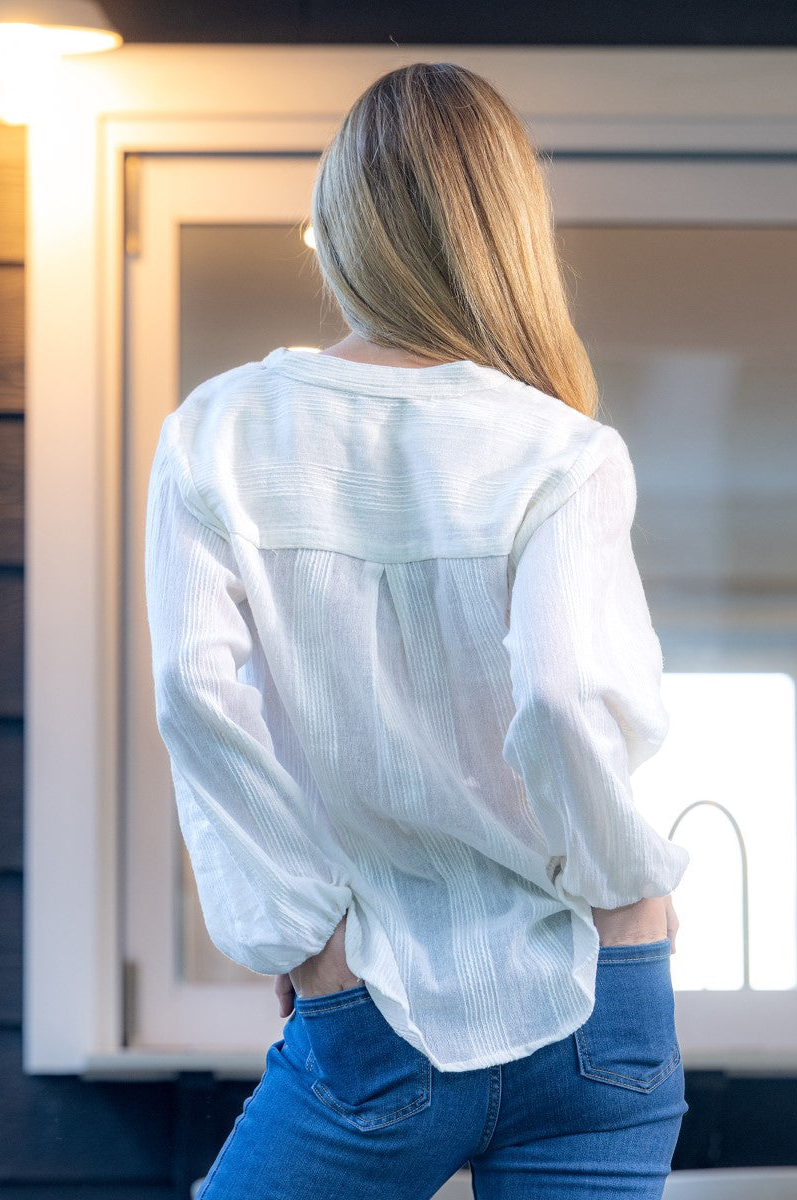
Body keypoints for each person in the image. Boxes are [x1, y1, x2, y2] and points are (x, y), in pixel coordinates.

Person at [145, 61, 690, 1199]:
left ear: (341, 224)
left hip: (368, 1009)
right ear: (508, 229)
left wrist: (305, 942)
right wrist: (619, 880)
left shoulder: (218, 435)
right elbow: (562, 694)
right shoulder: (562, 452)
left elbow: (195, 695)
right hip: (600, 998)